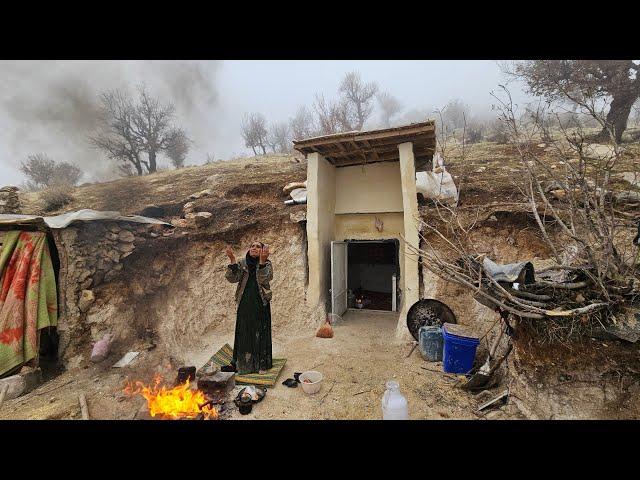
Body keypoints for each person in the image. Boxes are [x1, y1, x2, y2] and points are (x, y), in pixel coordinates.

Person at [225, 241, 273, 374]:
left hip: (261, 303)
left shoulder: (267, 263)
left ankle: (261, 365)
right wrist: (232, 260)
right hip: (245, 303)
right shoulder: (242, 263)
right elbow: (232, 278)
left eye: (258, 246)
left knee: (261, 333)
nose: (254, 248)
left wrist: (262, 262)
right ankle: (243, 365)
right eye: (252, 246)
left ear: (263, 250)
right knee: (244, 334)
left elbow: (266, 278)